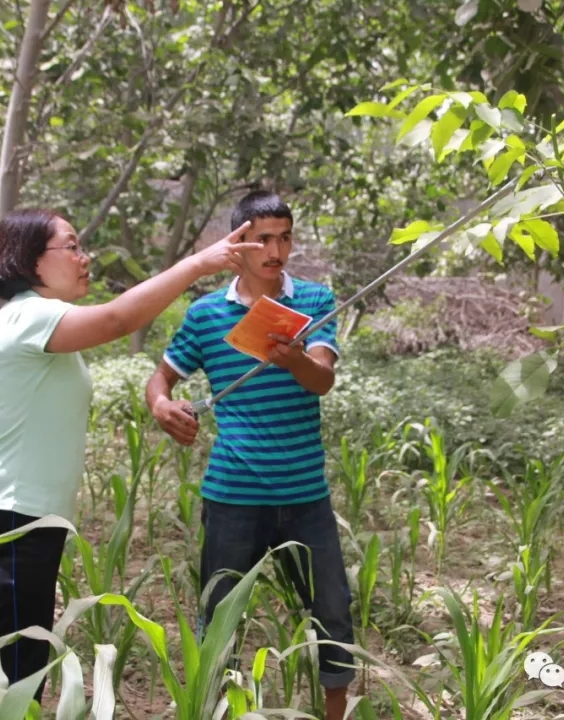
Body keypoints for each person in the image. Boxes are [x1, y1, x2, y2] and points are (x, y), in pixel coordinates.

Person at [0, 208, 260, 710]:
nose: (84, 257)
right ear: (31, 260)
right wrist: (198, 264)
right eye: (71, 246)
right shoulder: (27, 315)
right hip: (11, 521)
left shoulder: (41, 324)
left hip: (30, 520)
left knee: (17, 675)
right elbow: (119, 318)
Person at [144, 191, 355, 720]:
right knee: (220, 617)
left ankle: (335, 711)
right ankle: (217, 709)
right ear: (238, 244)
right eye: (263, 239)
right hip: (233, 494)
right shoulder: (206, 314)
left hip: (305, 494)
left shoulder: (314, 301)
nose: (276, 250)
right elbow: (161, 378)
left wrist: (294, 360)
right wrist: (162, 406)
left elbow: (322, 380)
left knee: (332, 609)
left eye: (284, 238)